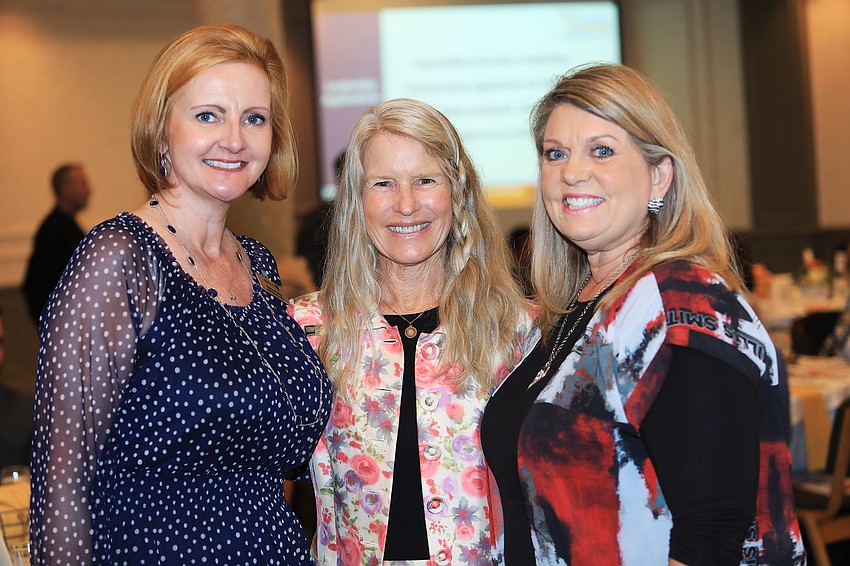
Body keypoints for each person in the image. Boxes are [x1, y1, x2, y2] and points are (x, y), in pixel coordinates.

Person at [29, 24, 331, 565]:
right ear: (161, 130)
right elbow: (60, 482)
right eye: (208, 115)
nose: (234, 139)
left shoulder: (256, 265)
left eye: (254, 119)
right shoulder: (119, 259)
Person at [480, 64, 805, 565]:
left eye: (602, 150)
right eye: (555, 153)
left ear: (659, 174)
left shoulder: (681, 304)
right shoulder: (574, 309)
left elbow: (713, 533)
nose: (572, 172)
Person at [289, 98, 536, 565]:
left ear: (457, 193)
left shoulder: (518, 332)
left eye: (425, 180)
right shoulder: (308, 330)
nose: (406, 205)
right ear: (356, 202)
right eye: (383, 184)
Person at [22, 163, 91, 323]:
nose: (88, 191)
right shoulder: (53, 231)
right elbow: (34, 285)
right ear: (65, 189)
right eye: (83, 184)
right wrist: (52, 324)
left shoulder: (68, 226)